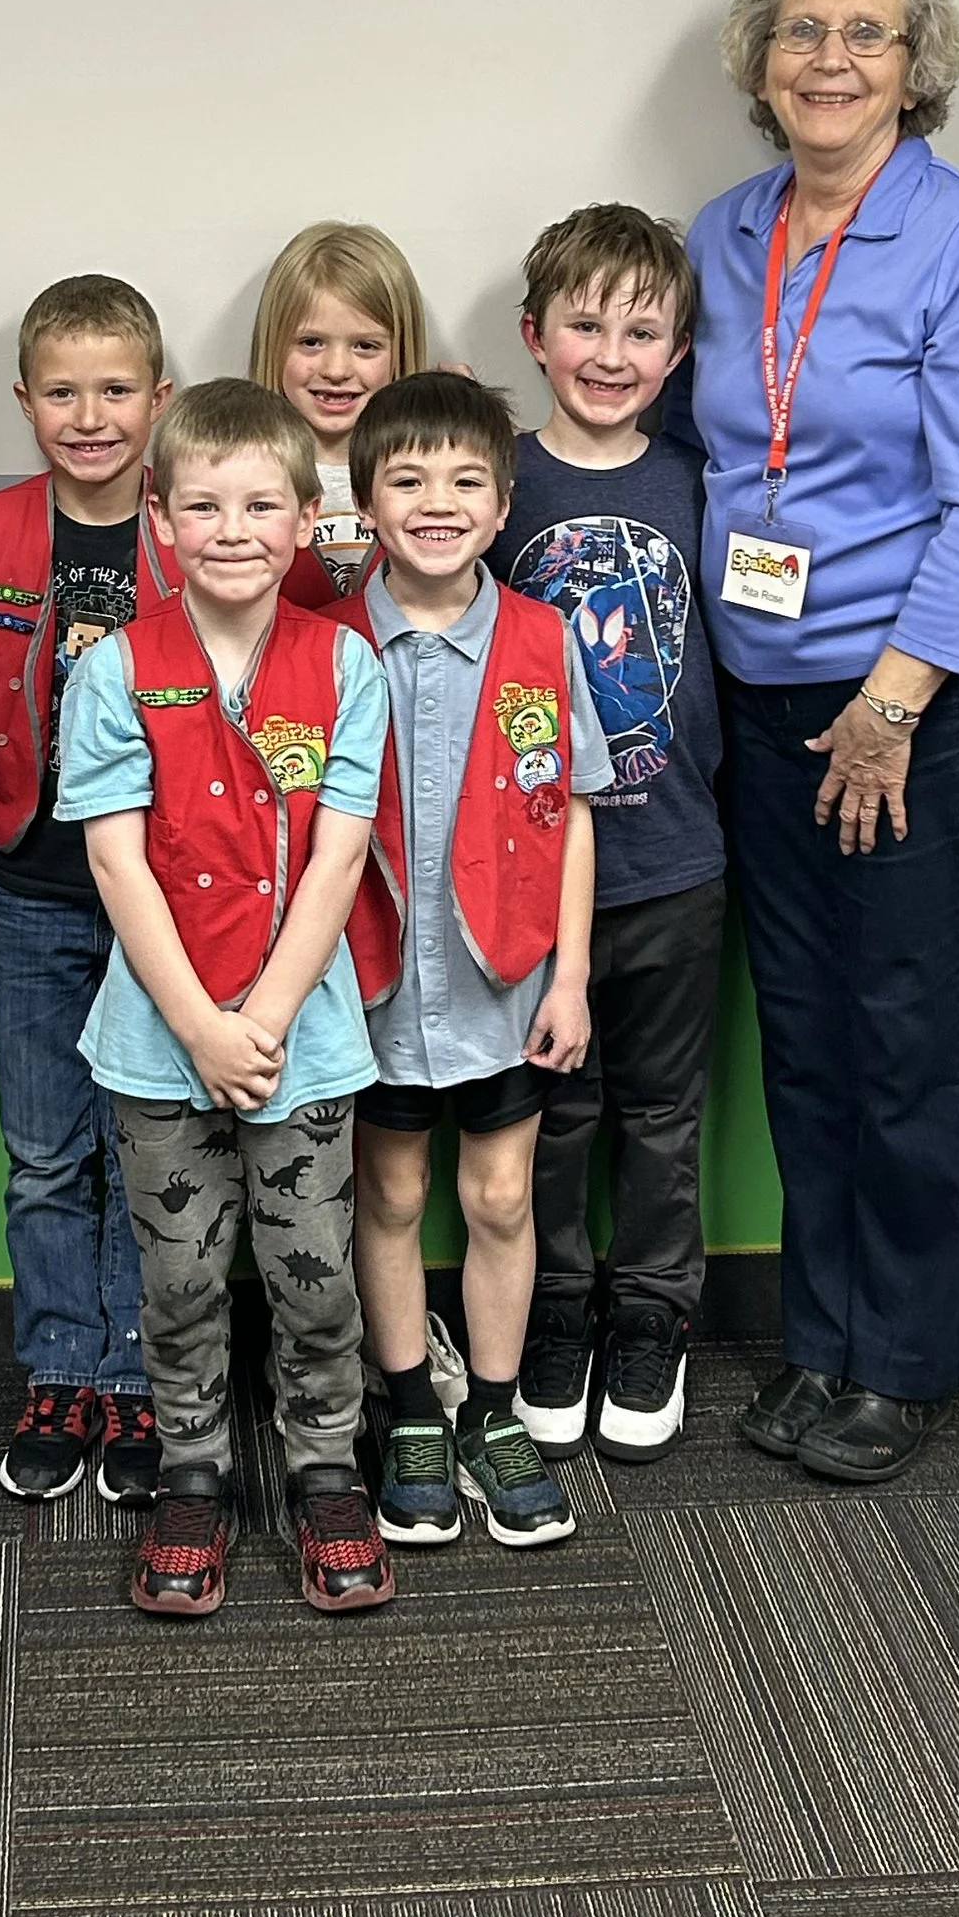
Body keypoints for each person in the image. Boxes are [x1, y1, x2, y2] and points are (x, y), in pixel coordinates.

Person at [676, 0, 959, 1485]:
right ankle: (821, 1333)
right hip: (759, 694)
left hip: (911, 700)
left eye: (866, 32)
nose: (831, 57)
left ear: (916, 65)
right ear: (762, 61)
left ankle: (902, 1356)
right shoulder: (724, 232)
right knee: (808, 1035)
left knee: (905, 1031)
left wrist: (891, 701)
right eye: (804, 29)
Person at [55, 377, 394, 1619]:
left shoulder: (343, 664)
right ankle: (190, 1463)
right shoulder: (116, 672)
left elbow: (340, 855)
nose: (235, 527)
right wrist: (201, 1026)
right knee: (182, 1276)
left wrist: (263, 1019)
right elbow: (113, 857)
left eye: (263, 504)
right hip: (159, 1044)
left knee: (313, 1273)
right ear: (159, 519)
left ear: (307, 518)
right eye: (204, 505)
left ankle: (322, 1464)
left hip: (303, 1044)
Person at [345, 373, 609, 1552]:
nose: (436, 503)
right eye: (407, 480)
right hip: (376, 988)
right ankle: (410, 1410)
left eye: (463, 483)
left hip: (507, 981)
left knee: (502, 1198)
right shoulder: (329, 645)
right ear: (365, 503)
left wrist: (570, 977)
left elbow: (577, 811)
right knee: (392, 1193)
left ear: (502, 507)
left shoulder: (542, 641)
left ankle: (493, 1415)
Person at [491, 207, 725, 1463]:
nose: (611, 350)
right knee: (554, 1111)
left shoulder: (700, 480)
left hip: (676, 858)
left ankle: (652, 1317)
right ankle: (556, 1313)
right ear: (534, 335)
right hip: (534, 873)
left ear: (681, 349)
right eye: (585, 322)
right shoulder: (496, 480)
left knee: (660, 1113)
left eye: (643, 329)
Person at [0, 272, 175, 1506]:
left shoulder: (190, 523)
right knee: (46, 1149)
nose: (89, 414)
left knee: (145, 1142)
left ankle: (141, 1371)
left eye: (115, 389)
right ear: (23, 400)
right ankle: (59, 1363)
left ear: (160, 398)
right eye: (62, 390)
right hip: (30, 889)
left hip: (157, 892)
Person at [248, 219, 429, 607]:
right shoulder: (241, 469)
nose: (335, 370)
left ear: (400, 352)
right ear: (273, 345)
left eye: (365, 346)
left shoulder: (436, 471)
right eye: (311, 342)